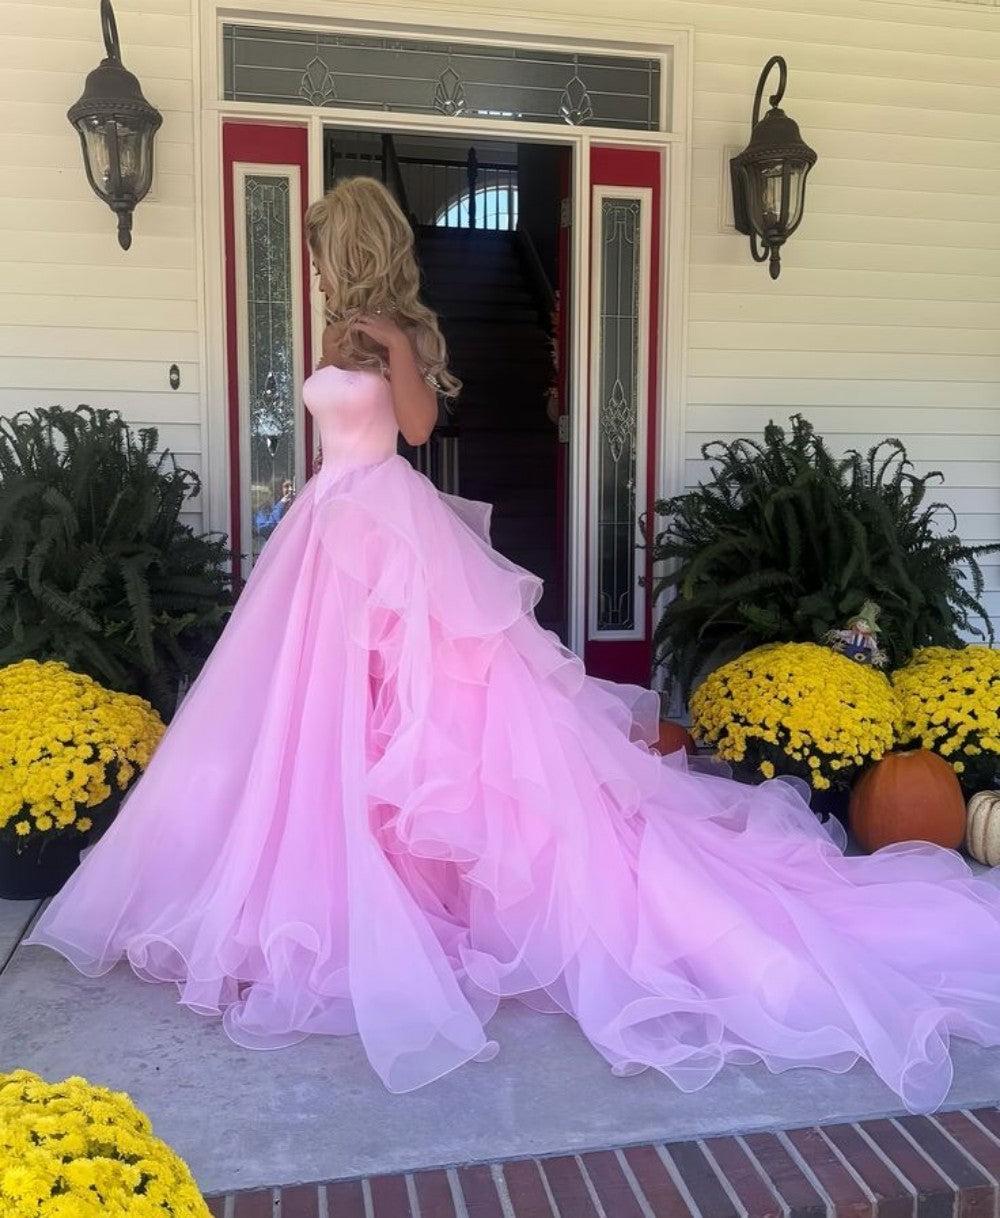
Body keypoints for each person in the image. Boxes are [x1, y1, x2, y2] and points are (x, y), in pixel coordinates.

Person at [28, 178, 1000, 1110]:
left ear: (357, 247)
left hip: (391, 528)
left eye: (327, 249)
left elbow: (412, 424)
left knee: (430, 713)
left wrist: (392, 347)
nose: (319, 266)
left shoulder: (392, 331)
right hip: (328, 531)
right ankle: (353, 887)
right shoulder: (329, 328)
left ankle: (434, 893)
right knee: (326, 718)